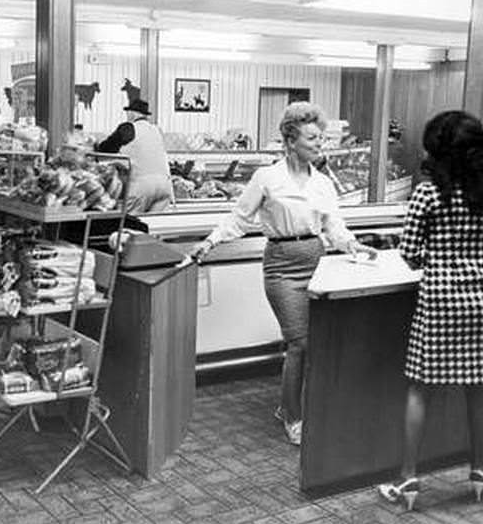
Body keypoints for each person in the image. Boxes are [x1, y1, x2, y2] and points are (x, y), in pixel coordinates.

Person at [189, 101, 377, 446]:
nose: (319, 144)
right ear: (290, 141)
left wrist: (352, 245)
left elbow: (334, 226)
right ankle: (293, 416)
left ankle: (290, 404)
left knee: (316, 343)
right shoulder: (267, 177)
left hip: (317, 261)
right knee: (299, 342)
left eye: (321, 138)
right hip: (281, 266)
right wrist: (210, 242)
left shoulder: (322, 183)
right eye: (311, 138)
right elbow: (239, 218)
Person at [378, 110, 483, 510]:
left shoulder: (427, 193)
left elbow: (408, 253)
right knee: (478, 390)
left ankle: (408, 481)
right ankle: (479, 473)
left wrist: (437, 261)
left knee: (420, 389)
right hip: (481, 300)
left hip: (440, 301)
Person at [94, 98, 173, 214]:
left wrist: (94, 147)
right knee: (154, 226)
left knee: (131, 225)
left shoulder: (128, 128)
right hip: (164, 185)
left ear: (132, 113)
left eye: (128, 112)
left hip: (142, 185)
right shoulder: (156, 130)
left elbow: (106, 150)